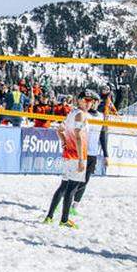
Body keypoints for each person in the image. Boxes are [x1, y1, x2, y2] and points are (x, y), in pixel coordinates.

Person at [42, 90, 91, 228]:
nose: (89, 103)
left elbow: (59, 129)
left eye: (91, 101)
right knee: (72, 188)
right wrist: (81, 159)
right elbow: (78, 135)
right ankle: (64, 220)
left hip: (68, 154)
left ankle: (49, 216)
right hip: (76, 155)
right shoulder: (80, 114)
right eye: (86, 100)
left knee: (63, 186)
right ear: (80, 100)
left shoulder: (72, 113)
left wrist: (64, 142)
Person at [70, 92, 107, 216]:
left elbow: (103, 136)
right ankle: (65, 203)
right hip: (81, 152)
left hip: (93, 154)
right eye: (91, 101)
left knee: (85, 181)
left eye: (95, 101)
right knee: (74, 180)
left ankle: (75, 205)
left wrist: (106, 155)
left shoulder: (101, 116)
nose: (92, 103)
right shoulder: (83, 114)